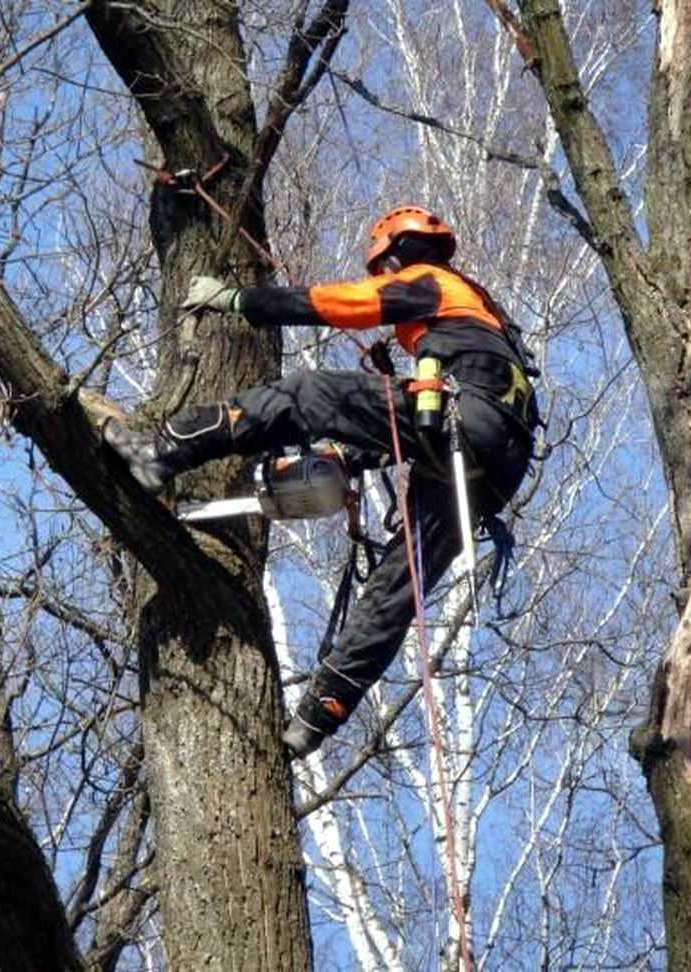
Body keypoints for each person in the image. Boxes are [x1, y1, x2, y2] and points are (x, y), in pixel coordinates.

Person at [104, 206, 538, 757]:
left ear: (398, 255)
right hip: (497, 464)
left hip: (465, 418)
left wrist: (239, 301)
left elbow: (342, 305)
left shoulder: (430, 282)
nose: (385, 281)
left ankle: (164, 450)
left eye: (385, 269)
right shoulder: (485, 319)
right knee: (396, 588)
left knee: (308, 394)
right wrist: (350, 454)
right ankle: (316, 717)